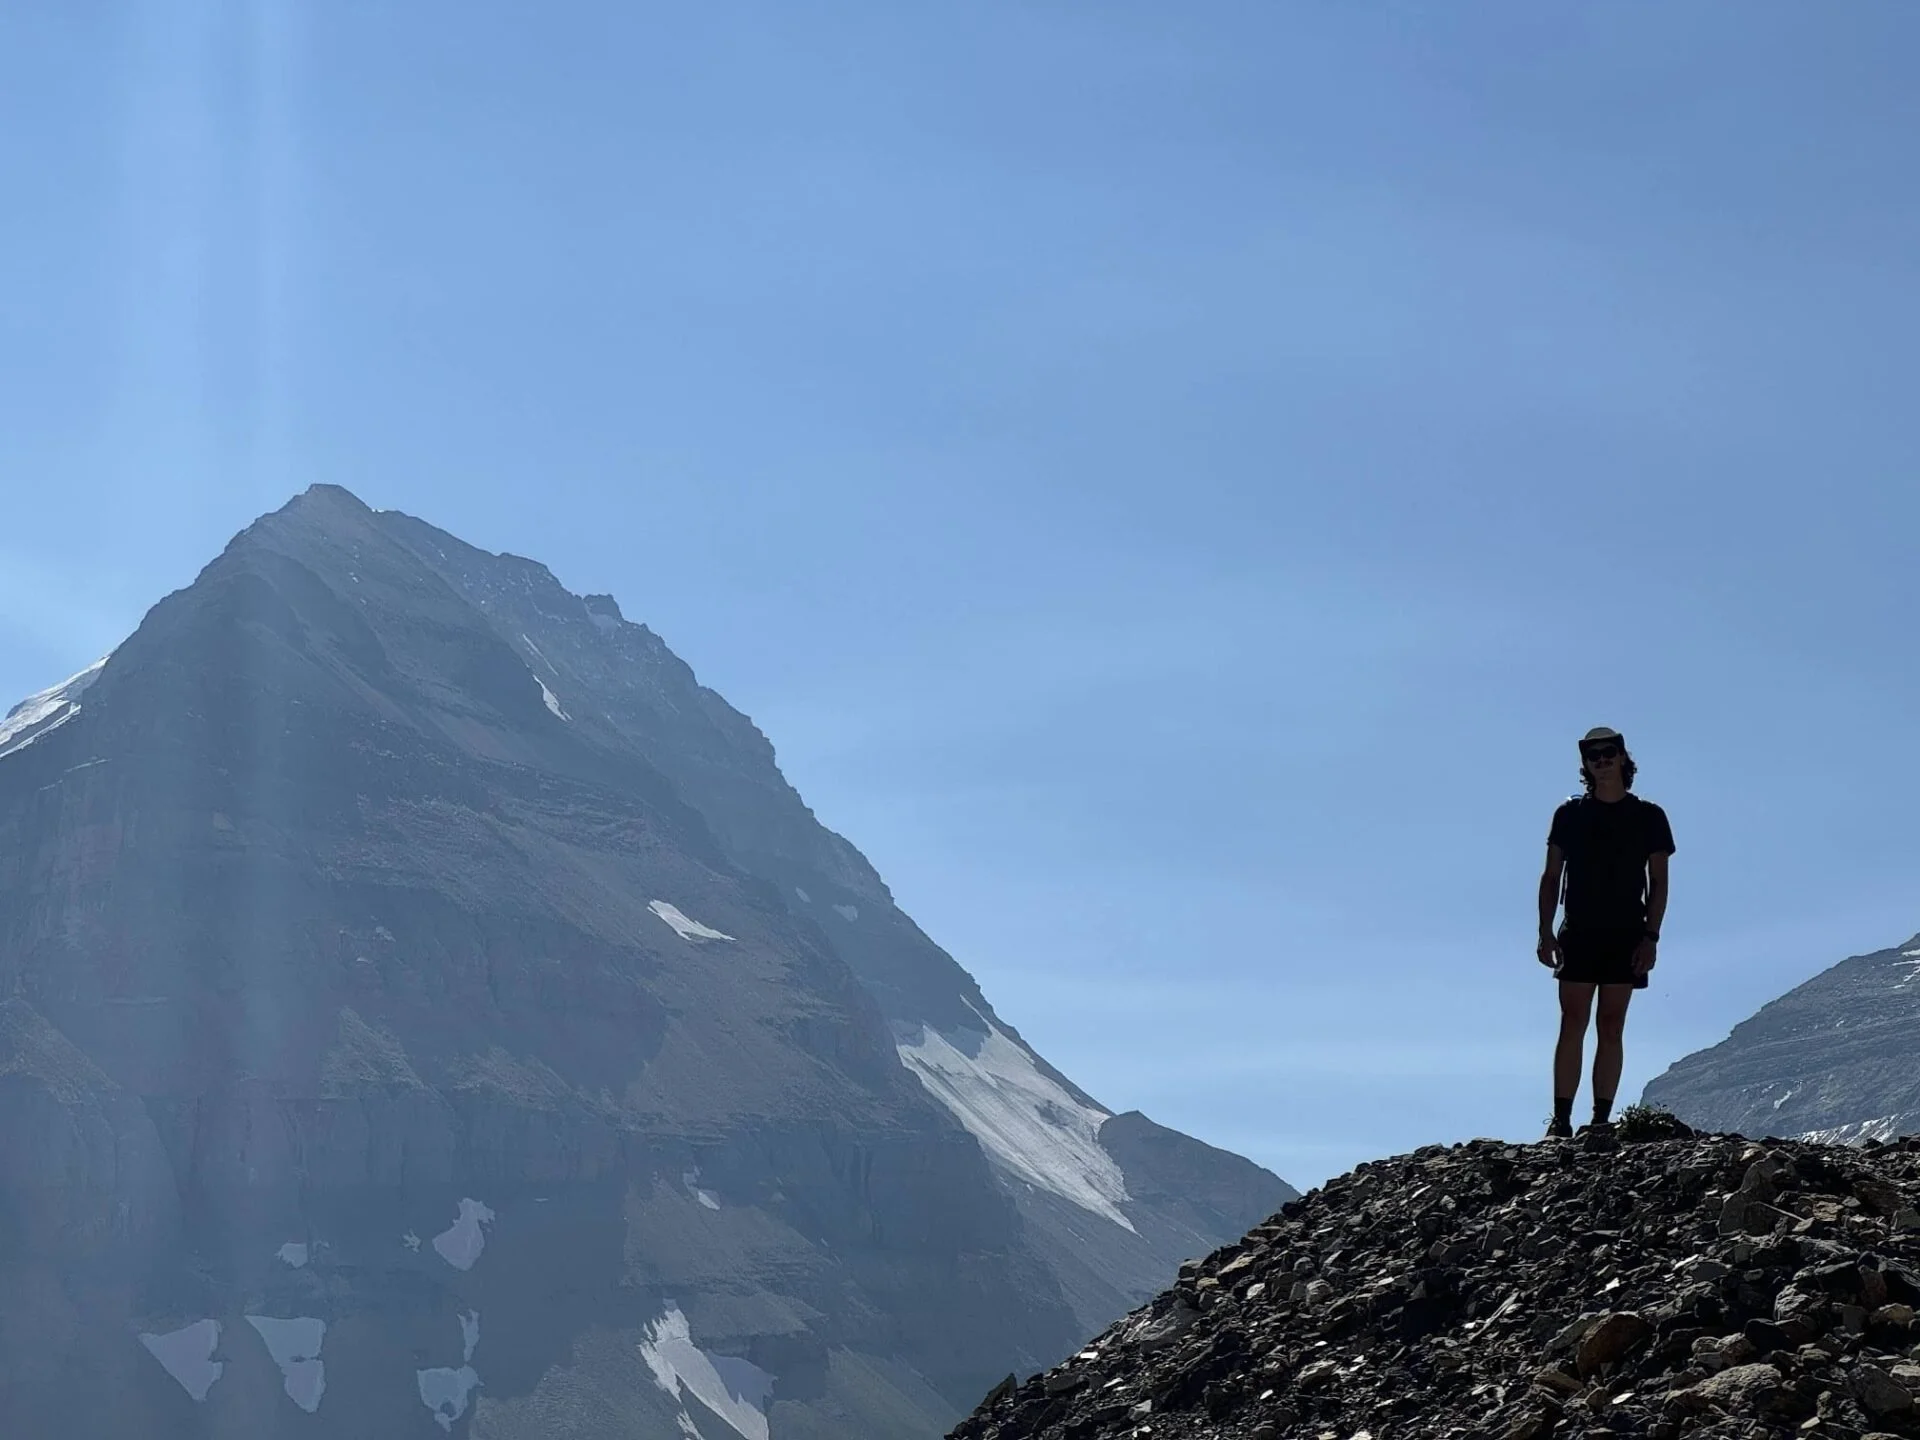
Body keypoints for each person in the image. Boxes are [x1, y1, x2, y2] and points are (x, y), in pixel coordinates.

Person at [1535, 726, 1674, 1139]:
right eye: (1592, 754)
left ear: (1621, 757)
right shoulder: (1569, 815)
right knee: (1572, 1021)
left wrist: (1651, 936)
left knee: (1611, 1025)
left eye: (1608, 752)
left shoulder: (1649, 816)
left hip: (1627, 933)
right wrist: (1545, 930)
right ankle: (1560, 1120)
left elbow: (1660, 882)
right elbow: (1551, 875)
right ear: (1586, 764)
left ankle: (1600, 1119)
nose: (1601, 759)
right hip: (1578, 929)